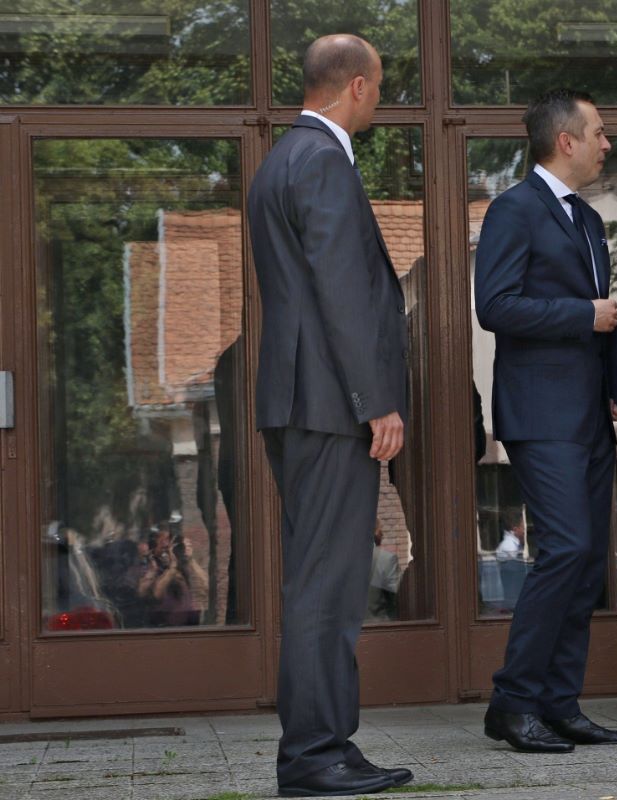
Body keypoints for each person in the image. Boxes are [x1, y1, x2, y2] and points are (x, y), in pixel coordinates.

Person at [247, 33, 413, 797]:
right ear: (356, 86)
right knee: (326, 584)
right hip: (328, 405)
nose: (380, 99)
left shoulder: (282, 159)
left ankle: (331, 746)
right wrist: (376, 402)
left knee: (327, 579)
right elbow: (341, 291)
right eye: (379, 86)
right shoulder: (321, 160)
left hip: (303, 401)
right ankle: (314, 756)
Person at [474, 88, 617, 753]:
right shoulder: (514, 209)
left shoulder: (588, 220)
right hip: (540, 416)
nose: (608, 144)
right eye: (599, 132)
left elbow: (604, 314)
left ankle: (560, 705)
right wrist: (583, 316)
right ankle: (512, 703)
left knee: (588, 558)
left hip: (589, 415)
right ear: (565, 141)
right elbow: (496, 306)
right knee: (566, 548)